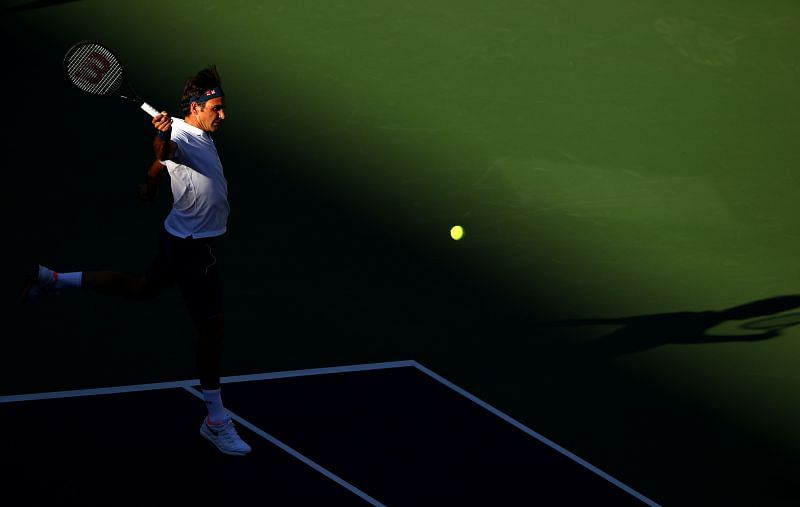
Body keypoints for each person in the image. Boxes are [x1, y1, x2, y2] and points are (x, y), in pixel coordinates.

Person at [21, 66, 251, 456]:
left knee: (141, 289)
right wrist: (160, 135)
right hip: (195, 248)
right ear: (196, 108)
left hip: (177, 236)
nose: (223, 115)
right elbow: (164, 151)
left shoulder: (195, 129)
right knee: (213, 330)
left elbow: (161, 164)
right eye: (217, 108)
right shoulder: (179, 135)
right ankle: (214, 420)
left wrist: (150, 184)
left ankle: (54, 278)